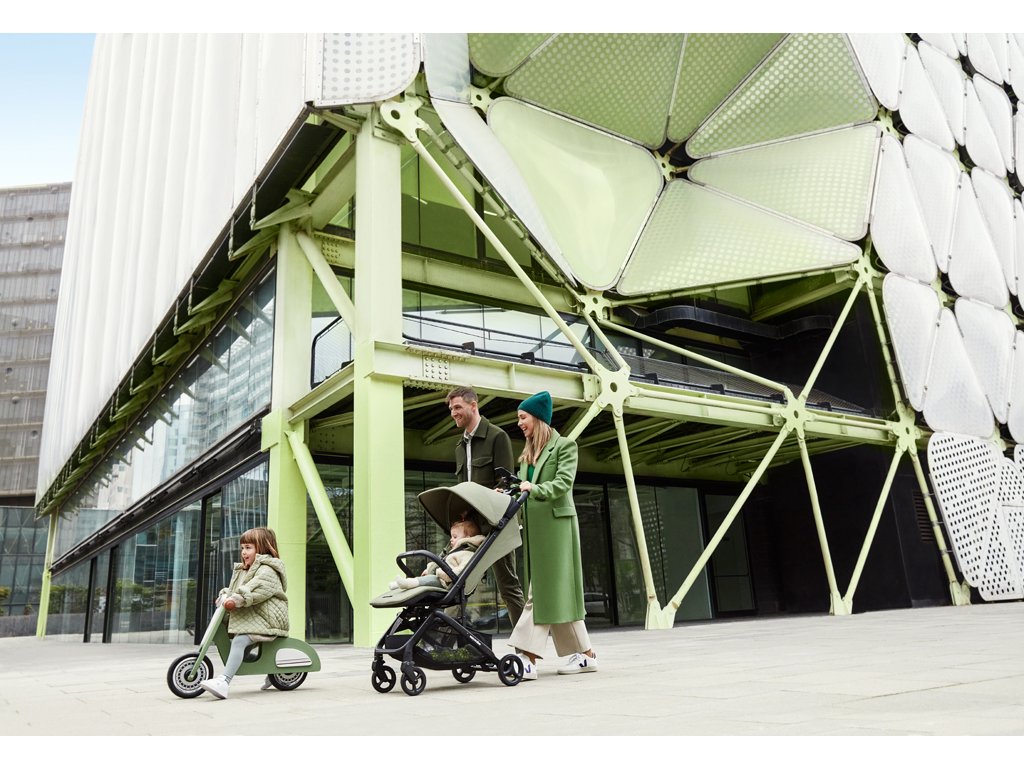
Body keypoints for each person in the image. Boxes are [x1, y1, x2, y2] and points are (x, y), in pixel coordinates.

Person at [507, 391, 597, 680]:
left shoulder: (565, 446)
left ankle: (527, 657)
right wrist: (508, 493)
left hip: (557, 530)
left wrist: (534, 489)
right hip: (536, 530)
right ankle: (585, 656)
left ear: (538, 418)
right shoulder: (527, 455)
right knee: (558, 593)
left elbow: (563, 483)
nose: (519, 423)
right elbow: (523, 488)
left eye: (523, 417)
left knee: (542, 592)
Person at [446, 386, 526, 627]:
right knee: (455, 580)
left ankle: (527, 644)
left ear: (473, 406)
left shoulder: (497, 437)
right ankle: (447, 638)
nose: (453, 413)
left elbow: (506, 482)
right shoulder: (459, 447)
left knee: (508, 585)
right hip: (471, 526)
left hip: (497, 521)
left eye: (457, 407)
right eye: (451, 409)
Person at [200, 526, 289, 700]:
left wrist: (236, 600)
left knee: (240, 641)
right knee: (240, 645)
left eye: (248, 547)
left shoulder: (268, 570)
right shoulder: (247, 569)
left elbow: (254, 591)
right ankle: (270, 669)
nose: (243, 552)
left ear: (262, 548)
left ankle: (224, 682)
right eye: (242, 548)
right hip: (255, 618)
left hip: (268, 619)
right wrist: (225, 594)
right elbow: (237, 588)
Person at [388, 519, 485, 591]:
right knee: (426, 579)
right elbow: (440, 563)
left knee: (429, 580)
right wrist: (429, 570)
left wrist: (441, 573)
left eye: (455, 537)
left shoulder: (468, 554)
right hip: (440, 578)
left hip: (447, 583)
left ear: (467, 538)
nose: (451, 539)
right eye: (451, 536)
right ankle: (399, 585)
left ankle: (406, 583)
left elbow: (462, 571)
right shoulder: (452, 552)